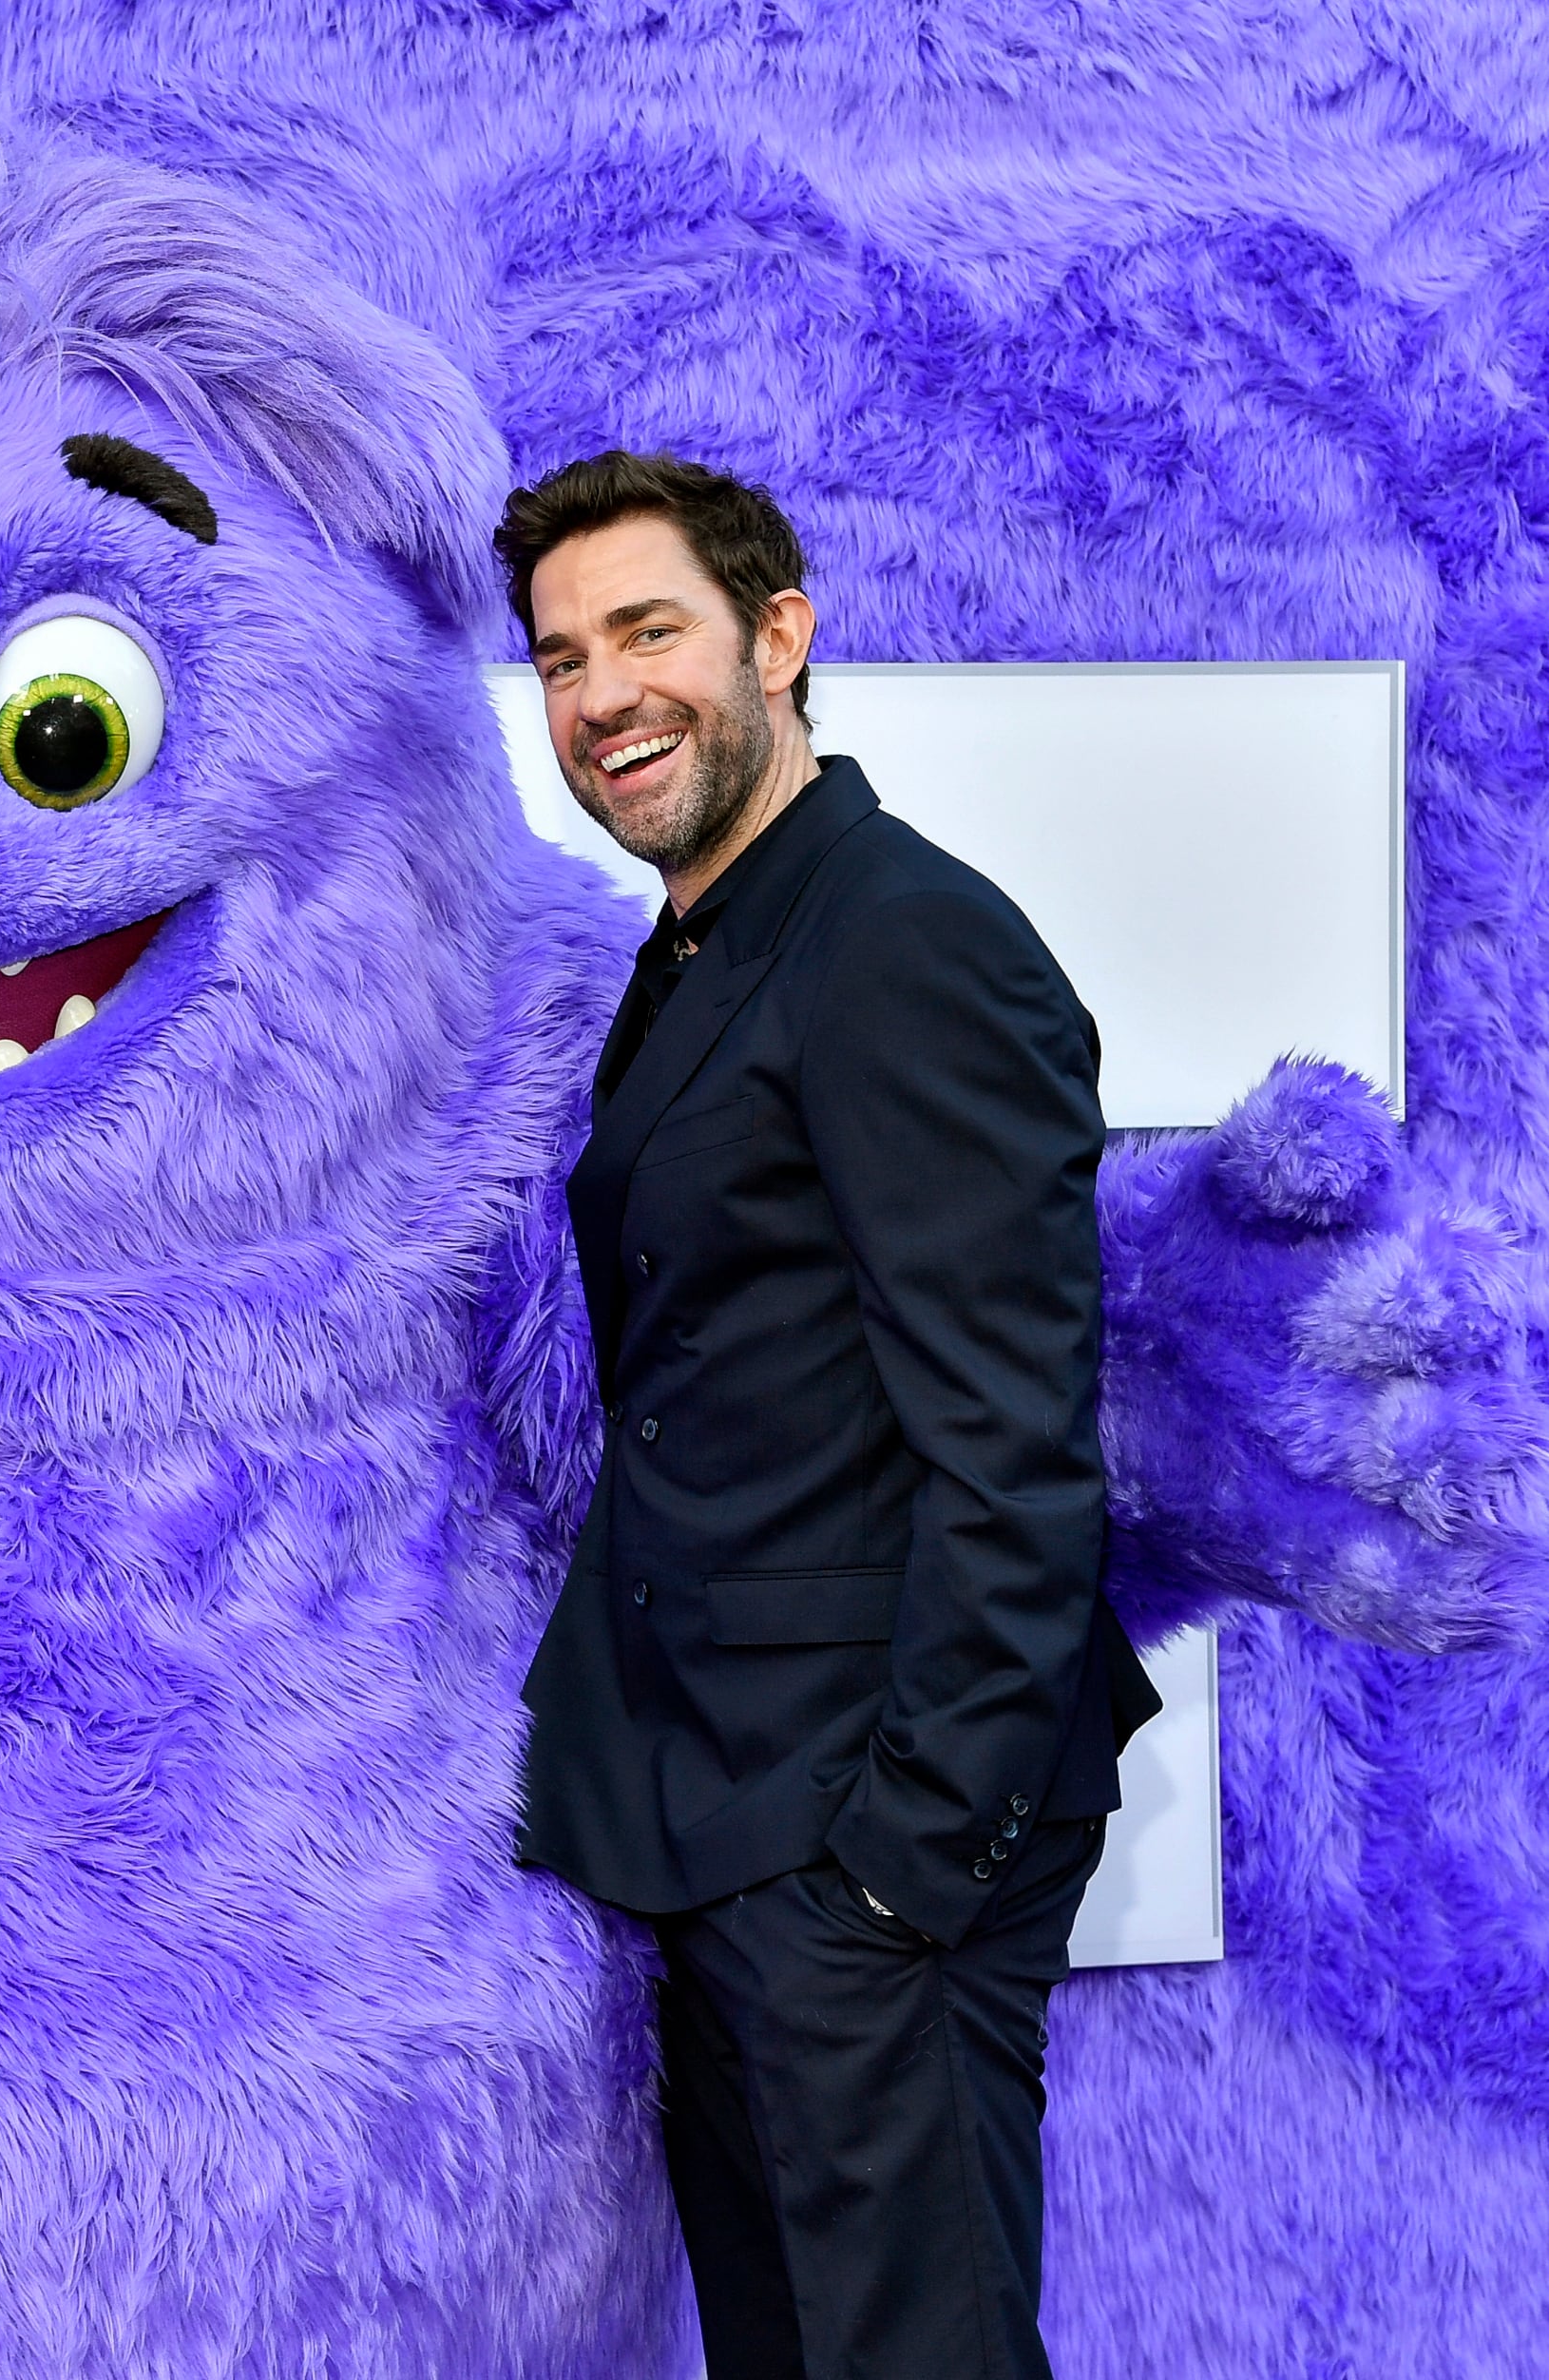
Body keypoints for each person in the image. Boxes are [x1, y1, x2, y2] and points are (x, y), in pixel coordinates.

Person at [501, 454, 1158, 2380]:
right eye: (557, 659)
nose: (600, 694)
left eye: (647, 632)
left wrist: (895, 1872)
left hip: (854, 1841)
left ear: (777, 639)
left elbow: (1014, 1446)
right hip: (727, 1817)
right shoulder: (713, 940)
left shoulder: (897, 941)